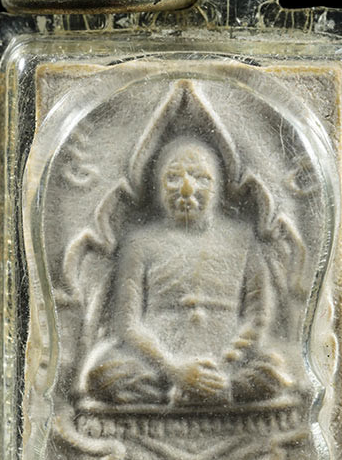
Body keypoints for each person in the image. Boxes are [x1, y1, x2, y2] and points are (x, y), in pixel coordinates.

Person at [77, 136, 293, 406]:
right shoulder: (139, 243)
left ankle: (214, 390)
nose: (187, 189)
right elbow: (128, 324)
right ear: (158, 186)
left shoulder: (243, 239)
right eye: (173, 178)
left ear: (217, 186)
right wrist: (175, 370)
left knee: (275, 370)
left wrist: (222, 369)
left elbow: (258, 318)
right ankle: (190, 394)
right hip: (159, 368)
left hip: (227, 366)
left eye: (200, 178)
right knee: (101, 375)